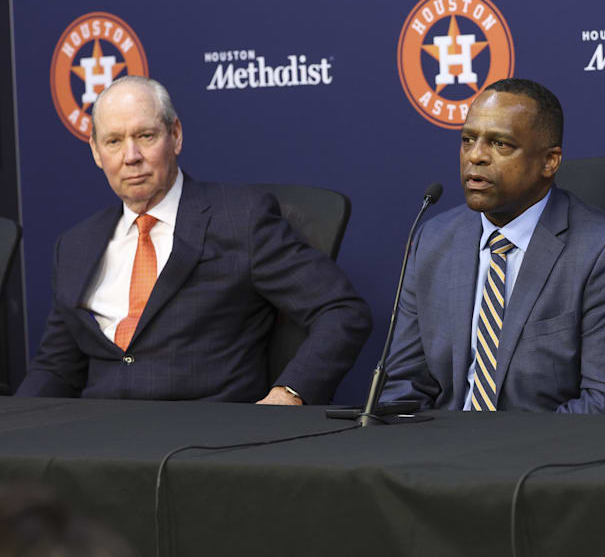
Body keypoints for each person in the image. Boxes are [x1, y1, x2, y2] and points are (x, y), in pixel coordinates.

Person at [16, 76, 371, 405]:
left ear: (176, 135)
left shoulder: (241, 219)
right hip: (97, 443)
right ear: (96, 151)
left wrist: (290, 393)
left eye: (145, 136)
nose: (131, 157)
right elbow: (56, 369)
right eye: (114, 141)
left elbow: (342, 311)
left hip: (200, 445)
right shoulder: (76, 245)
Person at [380, 78, 605, 413]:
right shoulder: (433, 239)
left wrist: (490, 453)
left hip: (542, 458)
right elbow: (403, 384)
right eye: (468, 140)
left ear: (549, 162)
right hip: (438, 451)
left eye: (501, 144)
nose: (476, 157)